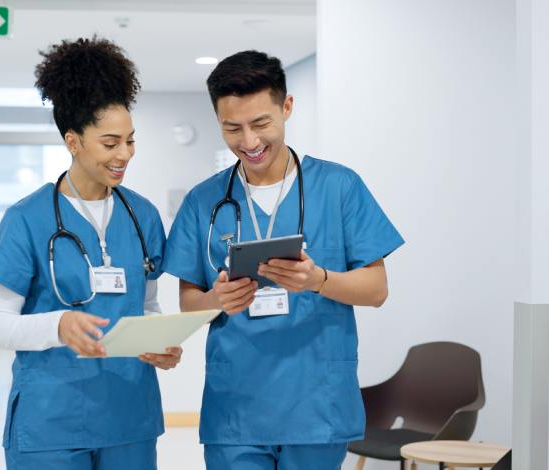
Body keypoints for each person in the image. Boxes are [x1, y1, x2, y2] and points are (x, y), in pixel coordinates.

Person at [162, 50, 404, 469]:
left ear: (287, 107)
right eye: (231, 128)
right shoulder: (204, 201)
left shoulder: (339, 187)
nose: (249, 142)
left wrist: (318, 279)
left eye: (260, 124)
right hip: (237, 408)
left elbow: (377, 290)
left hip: (316, 406)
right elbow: (189, 302)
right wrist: (216, 300)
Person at [0, 36, 182, 470]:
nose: (124, 155)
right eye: (110, 144)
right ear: (73, 142)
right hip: (52, 421)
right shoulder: (27, 219)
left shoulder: (142, 215)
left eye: (130, 141)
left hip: (129, 417)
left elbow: (146, 305)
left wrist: (161, 341)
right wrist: (59, 325)